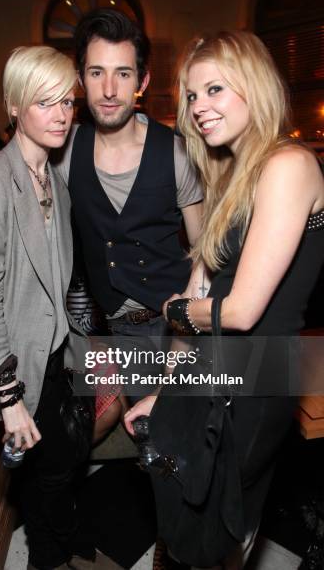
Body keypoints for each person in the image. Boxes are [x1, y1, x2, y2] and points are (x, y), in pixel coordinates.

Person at [124, 30, 324, 569]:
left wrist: (173, 310)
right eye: (191, 96)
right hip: (219, 371)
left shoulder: (288, 165)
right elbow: (201, 294)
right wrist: (165, 397)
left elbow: (239, 311)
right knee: (200, 513)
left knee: (222, 521)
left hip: (259, 381)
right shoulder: (232, 175)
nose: (197, 108)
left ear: (253, 87)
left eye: (213, 90)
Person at [0, 8, 204, 338]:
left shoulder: (176, 151)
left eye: (123, 74)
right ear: (80, 79)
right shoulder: (68, 148)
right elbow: (3, 185)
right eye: (97, 73)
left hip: (177, 323)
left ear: (143, 80)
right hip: (115, 330)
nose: (109, 89)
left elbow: (203, 251)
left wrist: (187, 320)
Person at [0, 45, 100, 570]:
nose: (61, 114)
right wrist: (9, 396)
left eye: (66, 101)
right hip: (15, 368)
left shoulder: (52, 179)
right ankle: (48, 557)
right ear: (14, 106)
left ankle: (58, 542)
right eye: (45, 102)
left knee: (56, 471)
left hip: (56, 355)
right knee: (48, 474)